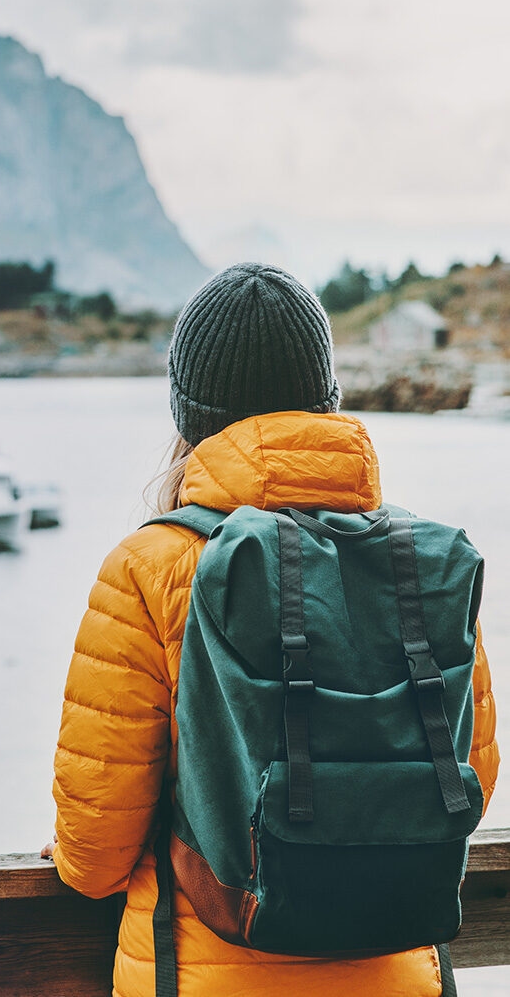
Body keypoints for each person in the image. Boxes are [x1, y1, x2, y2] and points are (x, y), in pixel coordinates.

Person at [42, 263, 499, 997]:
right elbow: (469, 777)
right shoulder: (415, 565)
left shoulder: (152, 564)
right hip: (396, 976)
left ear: (189, 412)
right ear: (325, 397)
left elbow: (95, 853)